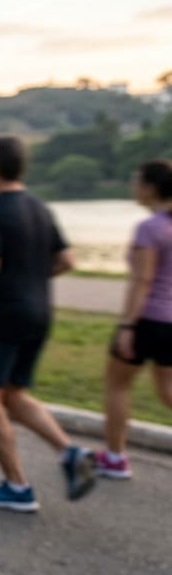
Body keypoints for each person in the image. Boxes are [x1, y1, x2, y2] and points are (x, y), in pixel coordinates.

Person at [0, 136, 94, 512]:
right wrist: (30, 279)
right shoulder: (39, 207)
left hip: (3, 315)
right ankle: (70, 451)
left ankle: (17, 486)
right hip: (39, 312)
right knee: (13, 394)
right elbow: (67, 260)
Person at [98, 160, 172, 479]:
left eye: (136, 181)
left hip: (147, 320)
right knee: (167, 390)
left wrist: (128, 325)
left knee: (117, 385)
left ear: (150, 187)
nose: (132, 186)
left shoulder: (150, 228)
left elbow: (142, 280)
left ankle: (115, 458)